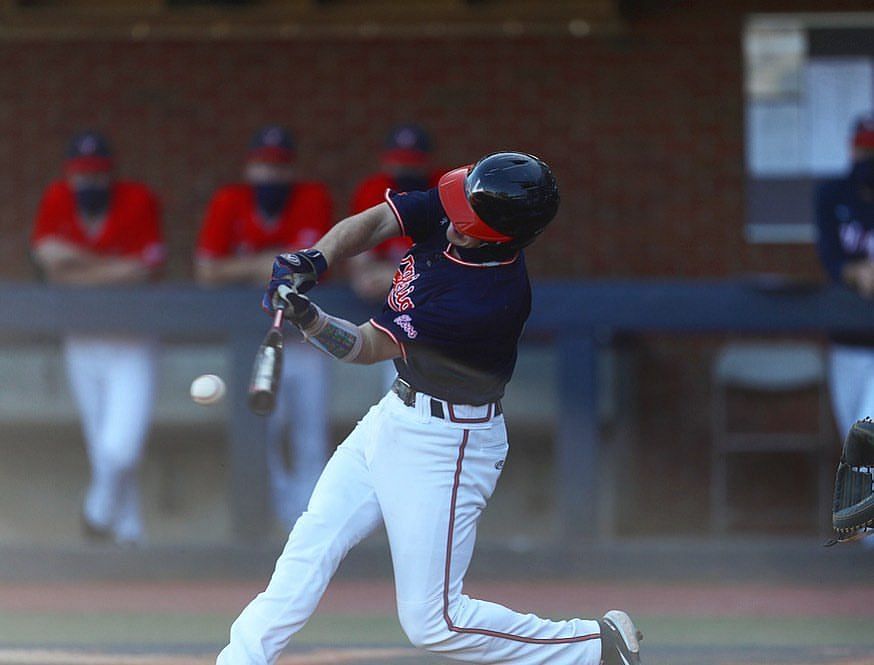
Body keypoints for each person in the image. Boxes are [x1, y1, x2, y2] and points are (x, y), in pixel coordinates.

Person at [217, 152, 643, 665]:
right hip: (392, 416)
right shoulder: (465, 207)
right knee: (309, 548)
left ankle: (593, 645)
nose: (450, 224)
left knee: (434, 622)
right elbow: (378, 220)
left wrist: (307, 316)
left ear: (501, 236)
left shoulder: (481, 301)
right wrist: (314, 259)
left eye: (465, 224)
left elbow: (363, 347)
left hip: (448, 444)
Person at [195, 125, 333, 529]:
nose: (270, 176)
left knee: (311, 437)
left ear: (292, 170)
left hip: (306, 339)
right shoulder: (229, 201)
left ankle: (309, 524)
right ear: (248, 167)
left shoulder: (312, 198)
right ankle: (283, 517)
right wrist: (270, 263)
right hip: (257, 341)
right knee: (264, 432)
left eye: (279, 167)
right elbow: (206, 271)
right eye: (263, 166)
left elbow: (317, 263)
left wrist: (249, 267)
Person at [30, 131, 165, 546]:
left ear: (111, 174)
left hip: (131, 342)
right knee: (100, 448)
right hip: (82, 341)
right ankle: (128, 532)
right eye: (81, 174)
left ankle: (97, 512)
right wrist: (110, 268)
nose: (89, 182)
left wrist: (79, 266)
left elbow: (143, 269)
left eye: (97, 173)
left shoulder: (137, 199)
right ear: (70, 175)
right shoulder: (56, 197)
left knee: (119, 449)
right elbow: (51, 268)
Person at [816, 115, 874, 549]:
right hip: (847, 340)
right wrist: (854, 272)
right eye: (863, 149)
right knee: (851, 438)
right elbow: (830, 257)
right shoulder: (833, 193)